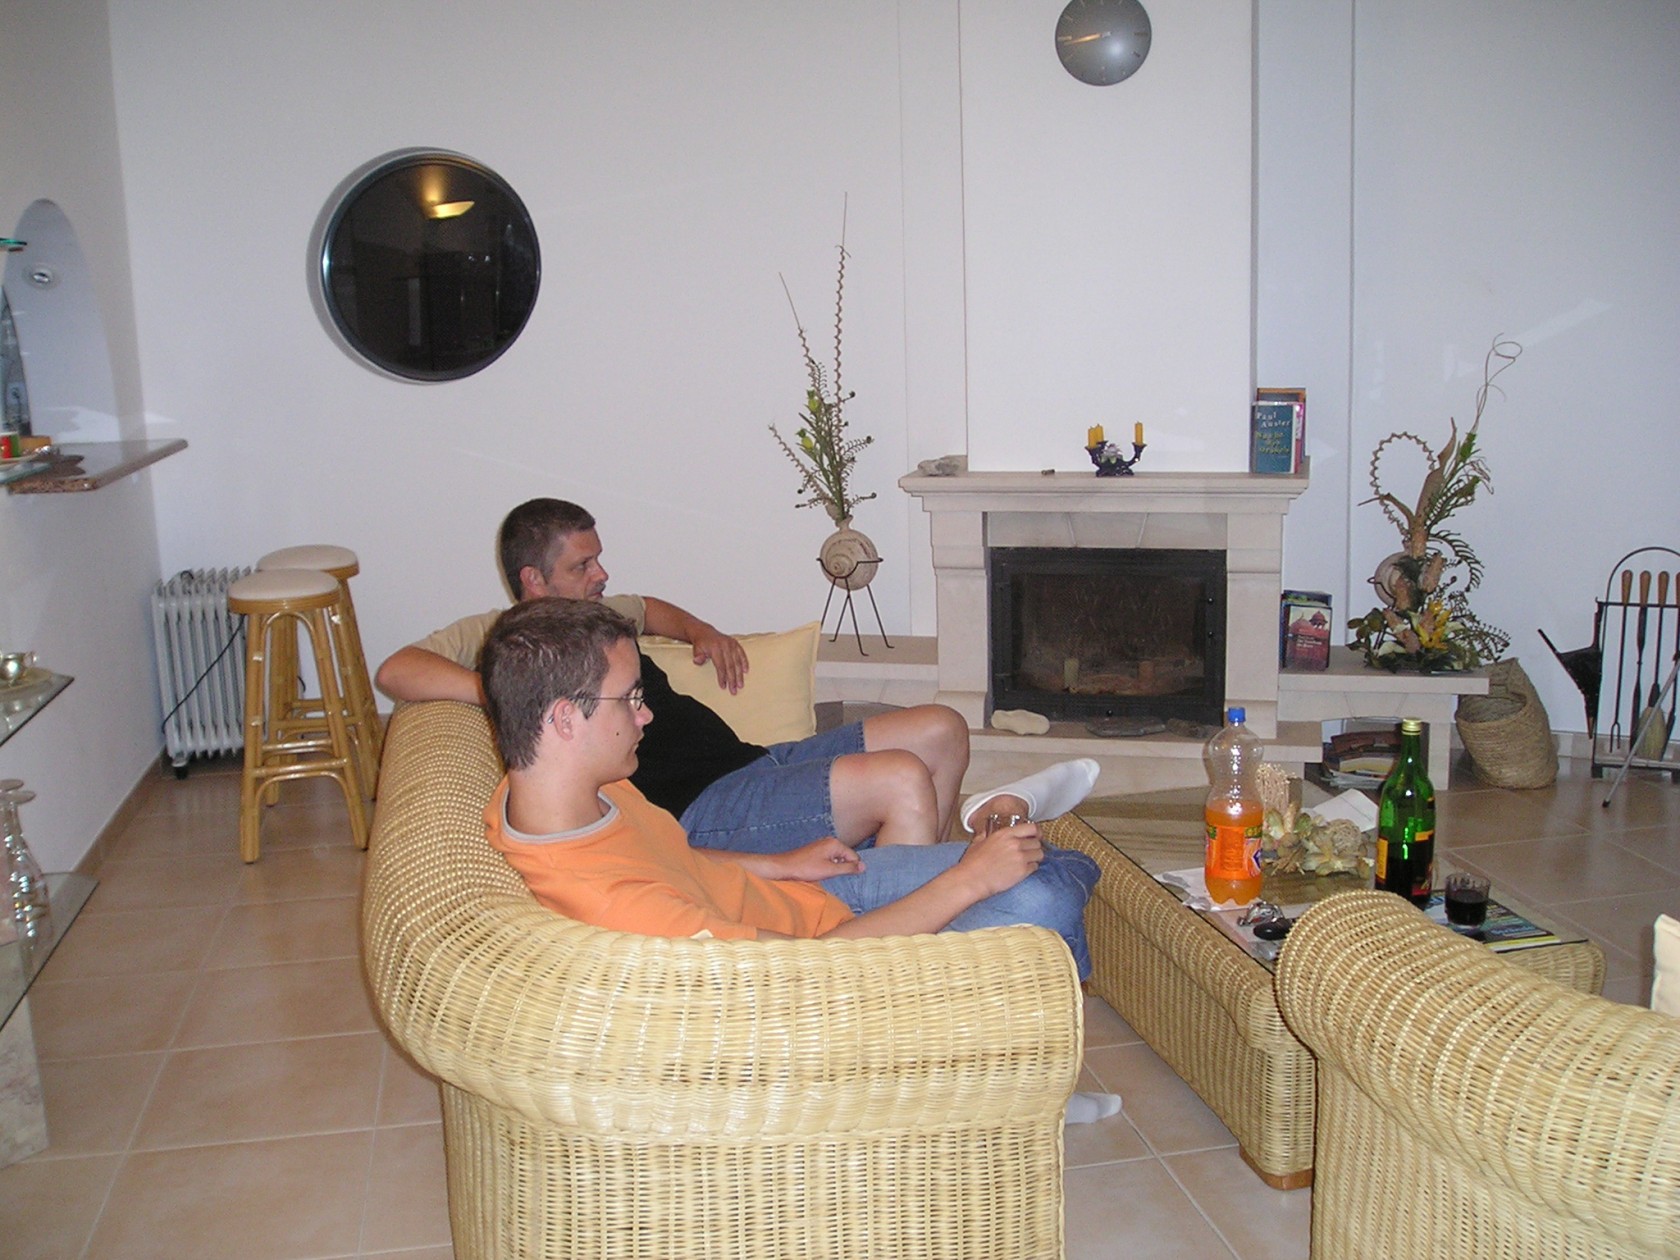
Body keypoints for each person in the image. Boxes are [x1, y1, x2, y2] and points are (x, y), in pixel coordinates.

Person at [478, 598, 1120, 1124]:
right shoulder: (618, 906)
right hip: (828, 961)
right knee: (1043, 889)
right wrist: (966, 881)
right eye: (630, 698)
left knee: (1035, 861)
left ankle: (1009, 838)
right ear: (565, 718)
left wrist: (780, 865)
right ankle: (1031, 1087)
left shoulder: (564, 791)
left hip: (803, 900)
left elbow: (675, 857)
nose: (646, 713)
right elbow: (809, 974)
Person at [377, 497, 1101, 855]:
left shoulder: (601, 615)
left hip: (753, 764)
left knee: (940, 729)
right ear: (533, 582)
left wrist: (701, 631)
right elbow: (395, 668)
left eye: (598, 558)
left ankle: (933, 872)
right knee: (900, 778)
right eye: (583, 566)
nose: (602, 574)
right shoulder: (507, 642)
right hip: (700, 809)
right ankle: (895, 955)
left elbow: (650, 608)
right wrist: (500, 693)